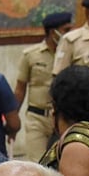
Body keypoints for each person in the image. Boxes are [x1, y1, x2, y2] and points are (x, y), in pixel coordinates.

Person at [14, 12, 73, 161]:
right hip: (37, 119)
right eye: (66, 30)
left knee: (63, 162)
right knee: (38, 165)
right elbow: (20, 88)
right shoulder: (30, 55)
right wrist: (13, 120)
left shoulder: (72, 53)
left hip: (63, 118)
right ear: (54, 32)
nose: (69, 34)